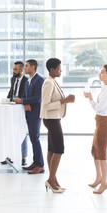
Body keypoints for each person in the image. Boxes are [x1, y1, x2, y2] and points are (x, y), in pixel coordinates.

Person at [40, 58, 75, 193]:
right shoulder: (48, 83)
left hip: (54, 119)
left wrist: (65, 101)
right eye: (59, 68)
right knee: (59, 149)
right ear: (52, 69)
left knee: (52, 148)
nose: (61, 71)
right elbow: (46, 105)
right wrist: (64, 100)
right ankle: (50, 180)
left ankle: (53, 179)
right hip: (51, 119)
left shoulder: (53, 81)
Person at [84, 64, 107, 194]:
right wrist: (92, 99)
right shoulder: (105, 87)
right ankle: (99, 178)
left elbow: (99, 108)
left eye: (102, 72)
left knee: (102, 154)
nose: (100, 74)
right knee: (95, 151)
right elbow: (98, 108)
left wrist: (91, 99)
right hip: (99, 122)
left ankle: (104, 183)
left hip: (104, 124)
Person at [15, 59, 44, 174]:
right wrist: (24, 102)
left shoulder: (39, 80)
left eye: (26, 66)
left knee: (35, 138)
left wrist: (22, 100)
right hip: (28, 112)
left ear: (33, 67)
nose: (24, 68)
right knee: (32, 138)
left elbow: (38, 98)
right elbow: (24, 95)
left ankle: (40, 164)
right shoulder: (28, 81)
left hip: (35, 113)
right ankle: (35, 162)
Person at [2, 61, 29, 166]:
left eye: (15, 69)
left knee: (22, 132)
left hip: (21, 108)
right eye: (13, 69)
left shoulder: (26, 81)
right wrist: (6, 100)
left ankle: (24, 157)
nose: (13, 71)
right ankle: (9, 156)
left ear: (21, 70)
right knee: (10, 132)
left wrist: (21, 100)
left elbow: (27, 95)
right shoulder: (13, 79)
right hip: (12, 108)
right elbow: (11, 92)